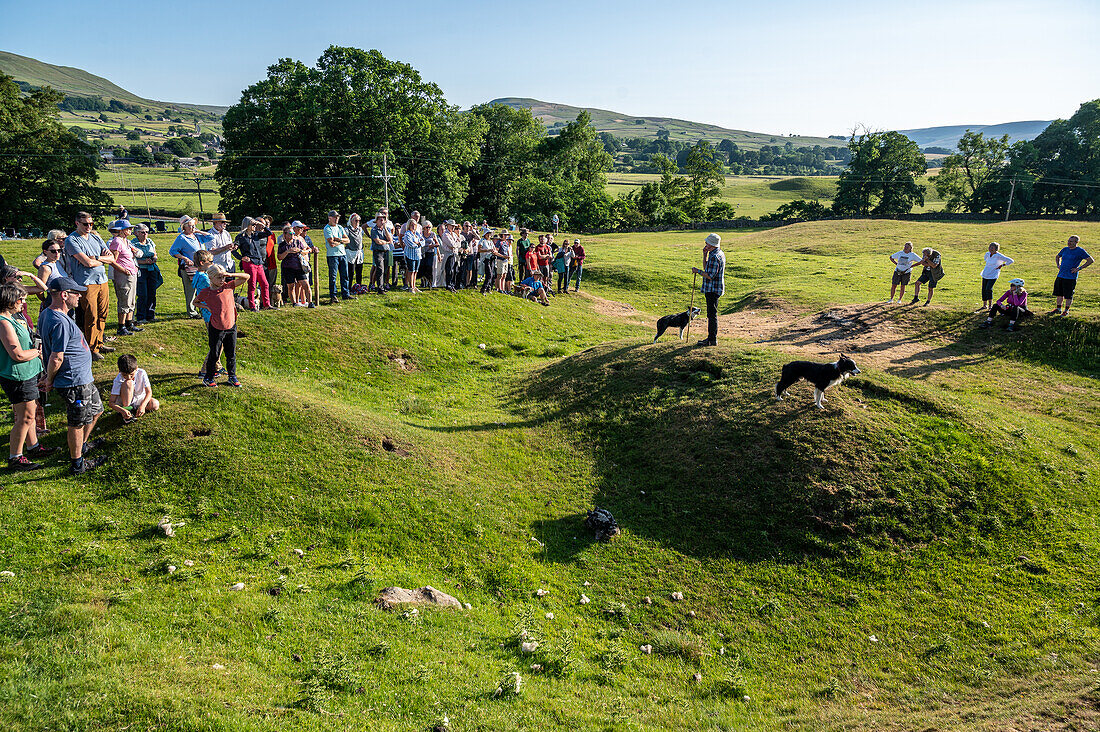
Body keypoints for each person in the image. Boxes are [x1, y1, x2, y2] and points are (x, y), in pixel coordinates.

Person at [38, 277, 106, 475]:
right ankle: (77, 464)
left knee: (96, 410)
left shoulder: (49, 313)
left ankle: (82, 446)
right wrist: (49, 379)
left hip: (83, 378)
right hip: (73, 380)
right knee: (76, 422)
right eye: (76, 293)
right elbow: (56, 357)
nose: (80, 296)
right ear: (64, 295)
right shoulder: (58, 321)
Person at [1, 283, 58, 470]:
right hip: (18, 375)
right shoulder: (3, 322)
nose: (23, 302)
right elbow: (17, 354)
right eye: (20, 299)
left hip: (29, 372)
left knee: (31, 413)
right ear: (9, 300)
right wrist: (37, 352)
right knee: (24, 417)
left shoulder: (13, 317)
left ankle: (33, 447)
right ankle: (15, 458)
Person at [65, 211, 116, 359]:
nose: (89, 226)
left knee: (103, 312)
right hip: (87, 283)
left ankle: (99, 342)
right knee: (91, 315)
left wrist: (97, 258)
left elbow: (111, 257)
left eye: (91, 224)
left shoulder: (95, 237)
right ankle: (91, 347)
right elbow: (86, 262)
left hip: (102, 280)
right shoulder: (72, 240)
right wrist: (102, 260)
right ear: (77, 223)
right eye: (85, 224)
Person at [194, 265, 249, 388]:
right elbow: (195, 302)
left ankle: (232, 376)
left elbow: (247, 277)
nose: (222, 280)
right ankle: (208, 377)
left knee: (231, 353)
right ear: (211, 277)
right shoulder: (206, 292)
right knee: (215, 353)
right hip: (216, 327)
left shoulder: (228, 286)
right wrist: (206, 307)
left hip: (231, 326)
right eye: (219, 277)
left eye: (223, 277)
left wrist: (230, 275)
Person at [169, 215, 214, 318]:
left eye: (194, 225)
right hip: (189, 268)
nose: (192, 228)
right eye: (190, 226)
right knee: (190, 290)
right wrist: (184, 258)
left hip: (201, 267)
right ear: (184, 227)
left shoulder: (197, 236)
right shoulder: (182, 238)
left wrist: (199, 232)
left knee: (202, 288)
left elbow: (211, 237)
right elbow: (172, 251)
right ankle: (192, 312)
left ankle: (203, 308)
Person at [107, 219, 142, 337]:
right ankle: (121, 326)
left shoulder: (126, 241)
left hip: (132, 273)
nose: (131, 230)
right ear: (121, 230)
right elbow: (112, 260)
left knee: (131, 299)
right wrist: (123, 270)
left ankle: (129, 322)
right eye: (129, 228)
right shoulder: (116, 242)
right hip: (124, 275)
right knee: (124, 299)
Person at [692, 233, 725, 347]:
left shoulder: (715, 256)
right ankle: (711, 338)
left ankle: (712, 340)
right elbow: (707, 267)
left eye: (707, 243)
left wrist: (698, 271)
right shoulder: (714, 253)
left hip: (713, 289)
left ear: (712, 244)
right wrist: (704, 255)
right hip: (713, 288)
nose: (705, 244)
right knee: (711, 314)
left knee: (712, 315)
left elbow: (710, 275)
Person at [232, 217, 272, 310]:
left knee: (265, 284)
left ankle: (267, 304)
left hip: (259, 262)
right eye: (253, 224)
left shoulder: (256, 235)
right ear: (247, 225)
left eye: (255, 224)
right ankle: (252, 306)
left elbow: (269, 233)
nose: (255, 226)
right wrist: (241, 258)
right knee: (252, 284)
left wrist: (262, 225)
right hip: (249, 263)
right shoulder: (241, 237)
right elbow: (233, 250)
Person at [109, 354, 159, 425]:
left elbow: (149, 392)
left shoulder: (142, 373)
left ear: (136, 368)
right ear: (120, 371)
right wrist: (121, 410)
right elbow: (111, 402)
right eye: (125, 375)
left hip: (138, 400)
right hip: (124, 401)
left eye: (131, 374)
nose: (129, 377)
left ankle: (136, 410)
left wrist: (143, 405)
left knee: (155, 404)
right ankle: (127, 412)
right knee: (128, 382)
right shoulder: (118, 379)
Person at [1051, 235, 1093, 316]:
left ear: (1076, 242)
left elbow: (1090, 260)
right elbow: (1057, 256)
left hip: (1070, 277)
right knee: (1059, 293)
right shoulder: (1065, 249)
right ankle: (1058, 309)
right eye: (1068, 241)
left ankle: (1066, 311)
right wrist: (1058, 265)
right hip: (1060, 275)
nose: (1069, 243)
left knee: (1068, 295)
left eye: (1071, 241)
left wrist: (1079, 268)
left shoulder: (1080, 251)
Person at [131, 223, 162, 324]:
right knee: (142, 294)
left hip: (152, 269)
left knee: (152, 292)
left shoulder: (150, 242)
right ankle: (140, 316)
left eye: (147, 232)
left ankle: (150, 314)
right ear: (136, 233)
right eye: (142, 232)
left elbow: (154, 252)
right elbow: (131, 259)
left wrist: (155, 258)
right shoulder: (133, 244)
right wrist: (144, 262)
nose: (145, 234)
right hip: (141, 270)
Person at [278, 225, 312, 307]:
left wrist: (299, 250)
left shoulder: (297, 242)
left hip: (299, 266)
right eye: (290, 233)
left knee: (305, 284)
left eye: (293, 233)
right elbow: (279, 257)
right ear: (285, 234)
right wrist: (287, 252)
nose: (292, 235)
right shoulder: (282, 245)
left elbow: (306, 251)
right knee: (291, 286)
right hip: (288, 268)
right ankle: (294, 303)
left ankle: (310, 302)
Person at [323, 210, 352, 303]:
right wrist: (341, 241)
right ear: (329, 218)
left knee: (345, 275)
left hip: (342, 254)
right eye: (335, 217)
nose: (336, 219)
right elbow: (331, 243)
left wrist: (338, 239)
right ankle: (333, 295)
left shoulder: (340, 227)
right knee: (333, 276)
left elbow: (348, 240)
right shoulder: (327, 228)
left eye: (338, 217)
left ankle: (345, 294)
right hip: (333, 255)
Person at [979, 242, 1014, 312]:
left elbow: (1011, 261)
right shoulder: (987, 254)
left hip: (993, 275)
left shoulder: (999, 256)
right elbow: (985, 259)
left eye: (992, 247)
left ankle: (990, 305)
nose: (990, 249)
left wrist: (1002, 265)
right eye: (990, 247)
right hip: (985, 273)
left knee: (989, 288)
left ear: (996, 249)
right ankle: (984, 305)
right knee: (984, 289)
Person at [368, 211, 393, 293]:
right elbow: (378, 241)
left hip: (386, 251)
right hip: (378, 252)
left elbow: (390, 239)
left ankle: (383, 286)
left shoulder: (385, 229)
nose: (382, 221)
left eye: (383, 220)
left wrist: (385, 228)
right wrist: (386, 242)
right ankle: (380, 288)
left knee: (385, 269)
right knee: (380, 269)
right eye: (380, 220)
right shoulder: (374, 230)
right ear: (377, 221)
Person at [402, 220, 424, 293]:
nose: (413, 226)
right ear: (408, 225)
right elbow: (410, 244)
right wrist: (418, 243)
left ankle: (414, 286)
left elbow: (423, 241)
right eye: (411, 225)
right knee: (411, 271)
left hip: (418, 255)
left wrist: (418, 243)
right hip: (410, 255)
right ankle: (411, 287)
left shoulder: (417, 234)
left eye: (414, 225)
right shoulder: (407, 234)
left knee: (416, 271)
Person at [346, 213, 365, 287]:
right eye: (356, 220)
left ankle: (358, 286)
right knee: (351, 271)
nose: (357, 222)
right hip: (350, 252)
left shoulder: (360, 230)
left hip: (359, 252)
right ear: (351, 221)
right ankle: (349, 287)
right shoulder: (347, 230)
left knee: (359, 271)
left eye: (358, 221)